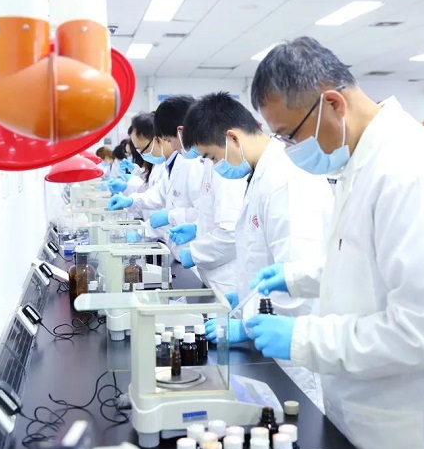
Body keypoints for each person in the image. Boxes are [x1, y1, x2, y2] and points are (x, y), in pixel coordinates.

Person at [246, 36, 424, 449]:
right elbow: (365, 264)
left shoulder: (410, 172)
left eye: (289, 136)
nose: (289, 150)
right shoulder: (363, 159)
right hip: (375, 418)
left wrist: (304, 338)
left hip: (422, 435)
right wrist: (296, 277)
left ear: (333, 104)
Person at [187, 92, 332, 337]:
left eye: (212, 157)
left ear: (233, 138)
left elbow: (296, 273)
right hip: (268, 321)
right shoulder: (262, 173)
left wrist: (249, 327)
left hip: (292, 334)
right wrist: (245, 298)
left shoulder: (284, 179)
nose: (214, 165)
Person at [165, 103, 248, 294]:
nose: (171, 146)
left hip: (227, 280)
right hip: (216, 277)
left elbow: (231, 230)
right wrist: (197, 227)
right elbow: (216, 214)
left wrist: (195, 253)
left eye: (169, 140)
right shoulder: (214, 160)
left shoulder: (227, 165)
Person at [108, 96, 204, 260]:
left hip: (195, 252)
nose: (141, 155)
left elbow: (203, 212)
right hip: (180, 250)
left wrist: (169, 217)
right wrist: (131, 200)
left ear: (157, 139)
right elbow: (157, 194)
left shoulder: (191, 163)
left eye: (142, 150)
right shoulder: (171, 165)